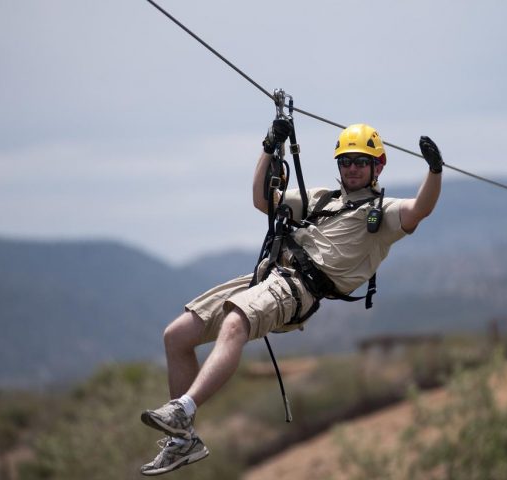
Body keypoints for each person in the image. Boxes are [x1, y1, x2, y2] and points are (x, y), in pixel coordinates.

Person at [138, 120, 444, 476]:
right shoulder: (319, 198)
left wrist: (434, 171)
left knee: (237, 320)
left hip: (300, 289)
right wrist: (269, 146)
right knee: (176, 336)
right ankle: (183, 440)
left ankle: (184, 408)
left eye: (361, 161)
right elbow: (261, 199)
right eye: (346, 161)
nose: (353, 168)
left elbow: (420, 208)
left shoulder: (381, 214)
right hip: (269, 274)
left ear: (378, 165)